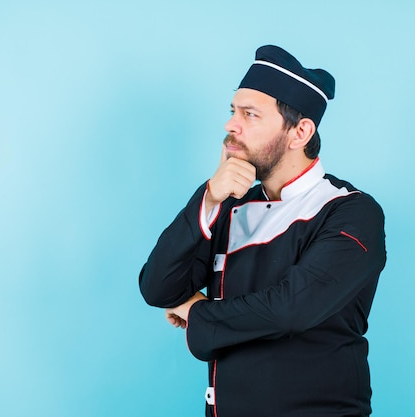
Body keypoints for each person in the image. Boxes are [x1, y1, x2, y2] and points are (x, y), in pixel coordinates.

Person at [139, 45, 387, 417]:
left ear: (300, 132)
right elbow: (158, 287)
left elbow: (291, 309)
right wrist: (208, 197)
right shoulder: (229, 207)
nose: (230, 125)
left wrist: (197, 312)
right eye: (232, 111)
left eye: (250, 114)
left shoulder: (351, 212)